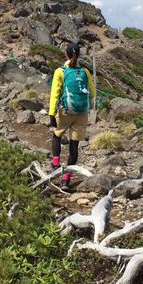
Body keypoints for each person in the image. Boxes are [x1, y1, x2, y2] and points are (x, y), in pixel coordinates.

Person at [49, 43, 95, 190]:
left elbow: (55, 94)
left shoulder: (60, 71)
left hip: (66, 112)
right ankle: (66, 180)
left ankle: (55, 164)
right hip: (81, 113)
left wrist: (51, 113)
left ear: (66, 54)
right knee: (74, 146)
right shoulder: (85, 72)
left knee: (57, 135)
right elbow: (92, 94)